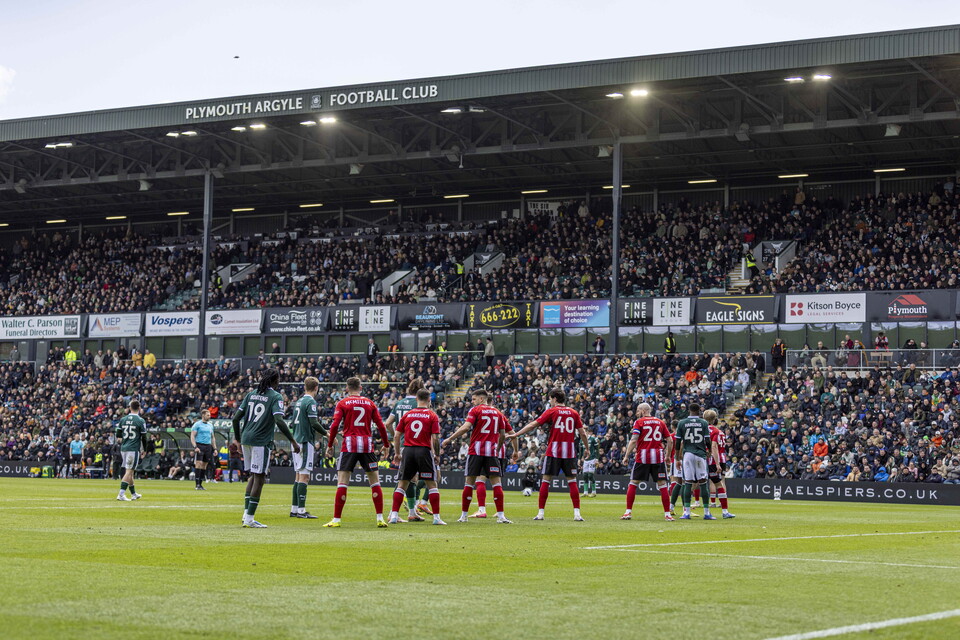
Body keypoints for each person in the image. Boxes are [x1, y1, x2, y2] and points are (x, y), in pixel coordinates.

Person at [232, 368, 300, 528]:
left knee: (253, 476)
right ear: (275, 381)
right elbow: (279, 420)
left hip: (246, 438)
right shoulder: (275, 396)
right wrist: (292, 440)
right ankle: (249, 519)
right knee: (260, 478)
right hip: (260, 440)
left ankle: (246, 515)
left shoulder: (251, 394)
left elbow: (235, 419)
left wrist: (238, 440)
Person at [509, 388, 588, 521]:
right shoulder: (574, 412)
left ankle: (540, 513)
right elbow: (582, 433)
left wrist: (516, 434)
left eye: (550, 399)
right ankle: (577, 514)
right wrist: (587, 448)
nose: (550, 401)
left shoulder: (552, 411)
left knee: (546, 481)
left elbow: (533, 425)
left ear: (555, 399)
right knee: (572, 482)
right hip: (569, 452)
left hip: (553, 451)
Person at [323, 377, 391, 528]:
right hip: (367, 445)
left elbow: (335, 425)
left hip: (349, 445)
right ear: (360, 388)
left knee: (342, 482)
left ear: (347, 388)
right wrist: (386, 444)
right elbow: (381, 425)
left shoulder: (343, 403)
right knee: (375, 482)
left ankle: (336, 520)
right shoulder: (370, 403)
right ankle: (380, 518)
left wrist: (330, 444)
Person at [442, 388, 514, 524]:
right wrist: (498, 448)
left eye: (474, 399)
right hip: (491, 453)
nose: (472, 402)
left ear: (481, 399)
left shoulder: (475, 410)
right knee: (496, 484)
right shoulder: (498, 413)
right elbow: (503, 434)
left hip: (476, 451)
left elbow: (465, 427)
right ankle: (501, 516)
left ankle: (463, 516)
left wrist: (450, 439)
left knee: (469, 483)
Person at [388, 389, 445, 525]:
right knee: (432, 485)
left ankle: (394, 516)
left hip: (408, 450)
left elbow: (396, 435)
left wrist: (397, 453)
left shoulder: (408, 414)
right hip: (423, 451)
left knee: (402, 484)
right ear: (429, 400)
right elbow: (435, 438)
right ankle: (436, 518)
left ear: (416, 399)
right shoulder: (432, 415)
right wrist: (437, 455)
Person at [385, 378, 430, 521]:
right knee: (405, 479)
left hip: (403, 444)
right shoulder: (418, 404)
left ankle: (411, 512)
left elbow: (388, 423)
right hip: (414, 444)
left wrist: (396, 437)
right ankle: (394, 513)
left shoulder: (399, 403)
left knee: (410, 478)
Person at [620, 402, 674, 521]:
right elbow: (670, 440)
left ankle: (628, 512)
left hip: (642, 457)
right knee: (662, 485)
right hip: (658, 457)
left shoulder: (639, 422)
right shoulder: (660, 422)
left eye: (638, 410)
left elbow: (633, 440)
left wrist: (626, 456)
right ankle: (667, 514)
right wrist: (668, 456)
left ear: (643, 411)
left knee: (633, 483)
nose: (637, 413)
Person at [675, 403, 719, 520]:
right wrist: (709, 451)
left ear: (689, 410)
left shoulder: (682, 423)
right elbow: (707, 440)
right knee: (703, 482)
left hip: (688, 454)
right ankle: (707, 513)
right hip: (700, 454)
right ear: (699, 410)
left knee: (688, 482)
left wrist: (677, 458)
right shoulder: (703, 422)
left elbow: (678, 442)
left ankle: (686, 513)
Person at [290, 376, 326, 519]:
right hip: (305, 441)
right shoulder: (311, 401)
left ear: (305, 387)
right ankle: (301, 511)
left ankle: (294, 509)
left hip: (296, 440)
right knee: (304, 476)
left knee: (298, 475)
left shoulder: (298, 401)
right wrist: (327, 434)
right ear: (316, 388)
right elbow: (314, 422)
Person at [705, 409, 735, 518]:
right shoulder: (720, 432)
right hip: (721, 457)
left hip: (710, 457)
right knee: (721, 482)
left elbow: (713, 446)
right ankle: (723, 507)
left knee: (709, 482)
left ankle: (710, 503)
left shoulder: (704, 429)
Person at [115, 400, 147, 501]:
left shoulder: (123, 419)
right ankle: (121, 494)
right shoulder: (140, 420)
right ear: (139, 408)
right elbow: (144, 437)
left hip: (124, 448)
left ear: (129, 408)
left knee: (130, 472)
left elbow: (118, 434)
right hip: (133, 449)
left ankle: (133, 494)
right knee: (129, 471)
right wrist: (144, 449)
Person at [190, 409, 216, 491]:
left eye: (209, 415)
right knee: (198, 464)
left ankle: (201, 484)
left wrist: (215, 448)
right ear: (203, 415)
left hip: (208, 446)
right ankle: (197, 484)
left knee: (204, 465)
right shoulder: (197, 424)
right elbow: (192, 436)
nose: (209, 416)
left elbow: (212, 437)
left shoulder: (210, 425)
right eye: (208, 415)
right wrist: (195, 447)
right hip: (200, 445)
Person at [582, 427, 600, 497]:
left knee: (590, 475)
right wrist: (580, 458)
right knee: (585, 476)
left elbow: (597, 449)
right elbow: (581, 449)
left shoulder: (592, 439)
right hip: (585, 460)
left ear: (587, 432)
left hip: (592, 459)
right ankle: (585, 492)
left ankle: (594, 492)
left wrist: (597, 459)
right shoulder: (582, 439)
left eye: (584, 431)